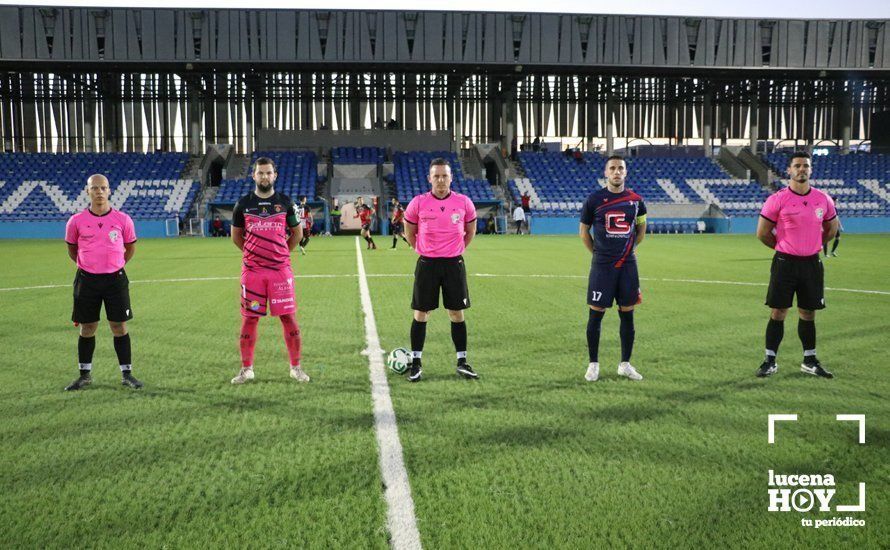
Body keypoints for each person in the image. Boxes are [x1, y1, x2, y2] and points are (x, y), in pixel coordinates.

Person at [756, 151, 839, 379]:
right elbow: (762, 233)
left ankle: (809, 361)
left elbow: (832, 228)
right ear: (789, 170)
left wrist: (813, 244)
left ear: (810, 170)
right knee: (778, 311)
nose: (802, 169)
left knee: (808, 312)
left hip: (811, 263)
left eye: (806, 166)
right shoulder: (778, 199)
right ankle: (770, 361)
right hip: (785, 263)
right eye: (797, 165)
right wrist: (784, 247)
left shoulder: (823, 199)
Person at [230, 157, 309, 384]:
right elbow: (236, 237)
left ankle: (296, 368)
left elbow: (297, 234)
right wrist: (254, 256)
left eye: (268, 173)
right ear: (253, 176)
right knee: (250, 319)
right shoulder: (243, 204)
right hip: (253, 274)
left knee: (288, 318)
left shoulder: (285, 202)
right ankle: (247, 369)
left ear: (275, 175)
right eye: (260, 173)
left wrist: (280, 254)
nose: (264, 177)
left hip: (280, 272)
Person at [64, 174, 142, 390]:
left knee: (119, 326)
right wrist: (89, 265)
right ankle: (84, 375)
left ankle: (127, 375)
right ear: (87, 191)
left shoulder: (123, 219)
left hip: (115, 280)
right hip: (86, 280)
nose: (99, 192)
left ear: (109, 191)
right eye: (95, 188)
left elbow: (130, 248)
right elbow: (72, 250)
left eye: (103, 188)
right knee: (87, 327)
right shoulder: (76, 221)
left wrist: (114, 265)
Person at [403, 158, 478, 382]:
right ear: (429, 179)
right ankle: (416, 363)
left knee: (456, 313)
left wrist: (458, 248)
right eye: (436, 176)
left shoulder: (464, 202)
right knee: (421, 313)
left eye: (444, 175)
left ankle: (462, 361)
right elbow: (409, 230)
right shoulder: (418, 202)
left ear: (451, 177)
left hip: (454, 263)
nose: (440, 180)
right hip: (427, 263)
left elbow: (471, 229)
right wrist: (419, 248)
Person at [579, 155, 647, 382]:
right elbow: (583, 232)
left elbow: (641, 230)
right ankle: (593, 364)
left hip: (628, 267)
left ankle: (625, 364)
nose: (617, 172)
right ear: (606, 173)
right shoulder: (594, 199)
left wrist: (627, 251)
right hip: (602, 267)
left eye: (620, 168)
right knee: (595, 314)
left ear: (625, 172)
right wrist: (599, 256)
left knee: (627, 315)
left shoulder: (636, 200)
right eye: (612, 168)